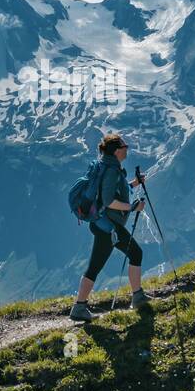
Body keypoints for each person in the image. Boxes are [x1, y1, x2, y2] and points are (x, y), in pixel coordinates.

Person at [69, 133, 151, 321]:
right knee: (134, 254)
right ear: (116, 151)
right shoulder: (112, 170)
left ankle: (80, 307)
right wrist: (132, 207)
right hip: (109, 227)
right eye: (124, 147)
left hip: (102, 224)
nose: (127, 149)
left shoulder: (107, 166)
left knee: (96, 265)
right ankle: (137, 297)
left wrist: (135, 183)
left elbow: (115, 192)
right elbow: (109, 200)